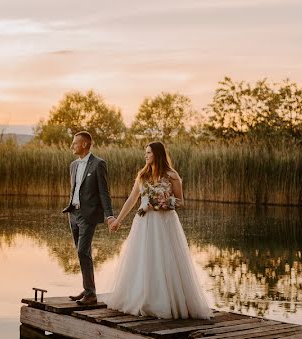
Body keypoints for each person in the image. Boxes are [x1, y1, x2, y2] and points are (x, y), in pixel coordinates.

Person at [106, 141, 211, 319]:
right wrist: (118, 220)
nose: (145, 156)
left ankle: (167, 302)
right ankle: (142, 298)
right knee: (144, 260)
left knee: (165, 260)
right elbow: (132, 200)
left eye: (148, 152)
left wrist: (163, 202)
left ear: (157, 154)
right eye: (145, 152)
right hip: (144, 223)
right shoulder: (143, 175)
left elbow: (180, 201)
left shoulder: (171, 175)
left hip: (164, 223)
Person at [62, 131, 115, 306]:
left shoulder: (98, 164)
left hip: (88, 215)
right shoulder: (73, 165)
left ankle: (91, 294)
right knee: (82, 252)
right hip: (74, 214)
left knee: (82, 251)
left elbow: (104, 192)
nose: (72, 146)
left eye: (75, 143)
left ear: (84, 144)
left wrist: (109, 215)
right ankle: (88, 289)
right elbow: (75, 189)